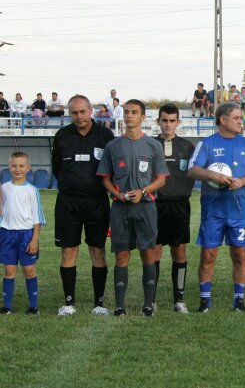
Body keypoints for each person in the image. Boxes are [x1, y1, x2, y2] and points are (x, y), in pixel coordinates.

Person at [187, 102, 245, 312]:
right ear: (223, 120)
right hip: (213, 211)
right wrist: (214, 175)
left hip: (238, 211)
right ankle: (204, 302)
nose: (241, 122)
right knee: (208, 255)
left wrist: (242, 181)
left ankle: (239, 301)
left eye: (241, 118)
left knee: (240, 254)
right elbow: (192, 170)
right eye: (237, 118)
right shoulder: (207, 144)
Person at [98, 99, 169, 316]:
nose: (129, 116)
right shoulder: (112, 146)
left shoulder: (154, 145)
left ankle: (148, 305)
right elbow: (105, 178)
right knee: (121, 255)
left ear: (142, 117)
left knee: (148, 253)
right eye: (127, 112)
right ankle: (120, 306)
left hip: (146, 207)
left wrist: (144, 191)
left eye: (134, 112)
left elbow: (161, 179)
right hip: (120, 208)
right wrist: (117, 194)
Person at [52, 95, 116, 316]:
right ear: (69, 113)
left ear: (91, 111)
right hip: (68, 201)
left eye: (82, 111)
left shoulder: (105, 135)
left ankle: (99, 304)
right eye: (74, 112)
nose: (79, 116)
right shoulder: (62, 135)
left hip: (96, 201)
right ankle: (69, 303)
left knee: (97, 250)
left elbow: (112, 167)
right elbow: (57, 168)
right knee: (68, 250)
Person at [152, 104, 197, 313]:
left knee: (179, 250)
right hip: (155, 204)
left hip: (179, 205)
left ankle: (179, 300)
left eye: (172, 120)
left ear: (178, 122)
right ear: (158, 122)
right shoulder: (150, 145)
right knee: (155, 251)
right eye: (164, 120)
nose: (168, 124)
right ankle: (150, 300)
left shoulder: (188, 147)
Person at [0, 152, 45, 314]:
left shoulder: (32, 191)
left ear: (28, 168)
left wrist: (34, 240)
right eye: (14, 165)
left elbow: (37, 218)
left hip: (26, 235)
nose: (17, 169)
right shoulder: (3, 188)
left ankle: (33, 306)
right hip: (7, 234)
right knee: (9, 271)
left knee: (29, 270)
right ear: (9, 167)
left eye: (21, 166)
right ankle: (7, 307)